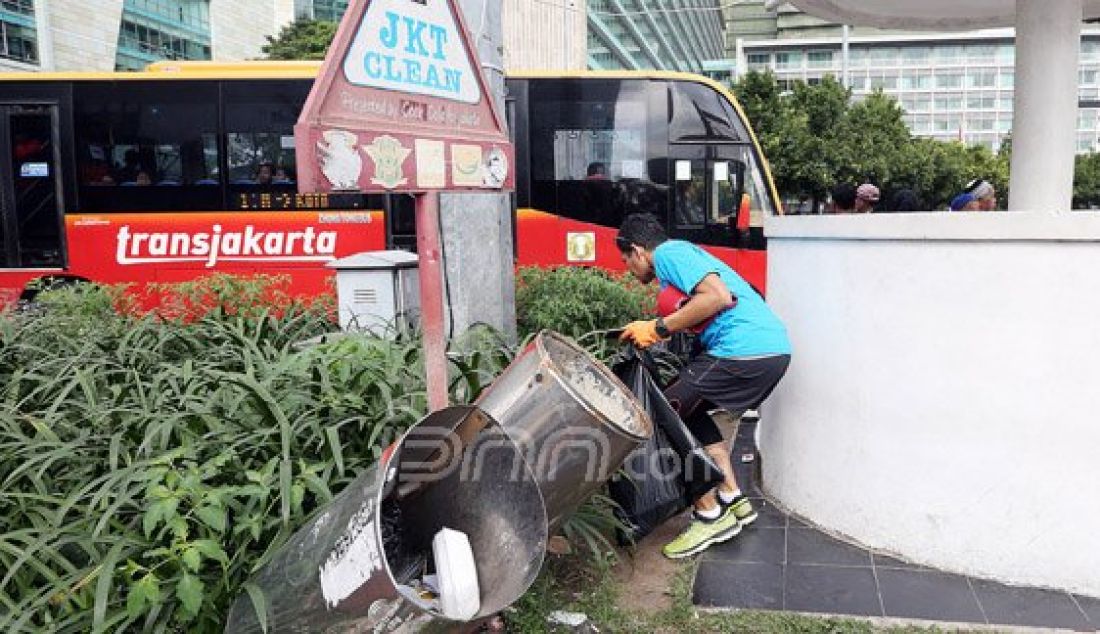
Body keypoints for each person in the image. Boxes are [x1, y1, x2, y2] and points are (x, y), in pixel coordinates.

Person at [616, 213, 791, 559]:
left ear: (638, 251)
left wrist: (658, 329)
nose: (628, 270)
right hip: (768, 351)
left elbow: (717, 298)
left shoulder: (668, 254)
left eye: (626, 262)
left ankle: (709, 515)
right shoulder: (682, 259)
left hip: (744, 350)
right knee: (689, 414)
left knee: (663, 419)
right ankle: (732, 496)